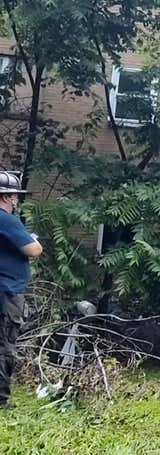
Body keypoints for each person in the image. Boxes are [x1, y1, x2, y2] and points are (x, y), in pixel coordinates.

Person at [0, 171, 43, 410]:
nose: (16, 200)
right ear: (7, 196)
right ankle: (0, 400)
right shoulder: (6, 219)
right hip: (6, 292)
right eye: (15, 195)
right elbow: (33, 250)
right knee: (4, 345)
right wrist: (34, 241)